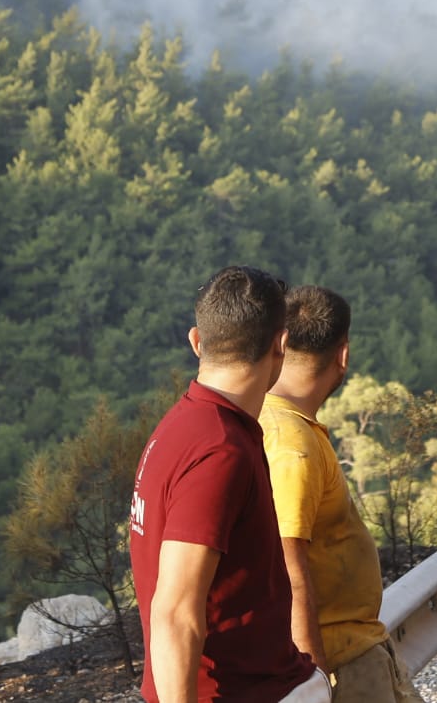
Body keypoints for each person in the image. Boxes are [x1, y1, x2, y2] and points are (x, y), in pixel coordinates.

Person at [131, 267, 327, 703]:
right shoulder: (221, 451)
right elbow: (176, 612)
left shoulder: (182, 426)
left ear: (196, 341)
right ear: (280, 346)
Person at [262, 286, 424, 703]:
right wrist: (314, 682)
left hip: (349, 652)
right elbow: (290, 567)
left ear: (280, 343)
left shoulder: (283, 423)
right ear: (344, 354)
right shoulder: (291, 445)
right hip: (340, 666)